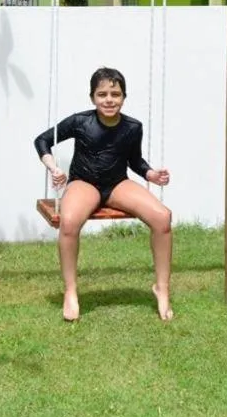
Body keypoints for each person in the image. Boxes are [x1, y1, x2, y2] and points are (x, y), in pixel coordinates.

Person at [33, 66, 174, 323]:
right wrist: (53, 167)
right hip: (84, 183)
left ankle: (162, 288)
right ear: (93, 98)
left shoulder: (133, 127)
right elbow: (42, 140)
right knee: (69, 222)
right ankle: (71, 291)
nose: (109, 99)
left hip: (117, 183)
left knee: (163, 217)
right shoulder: (80, 122)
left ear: (123, 97)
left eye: (115, 94)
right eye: (102, 94)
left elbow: (135, 161)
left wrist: (151, 174)